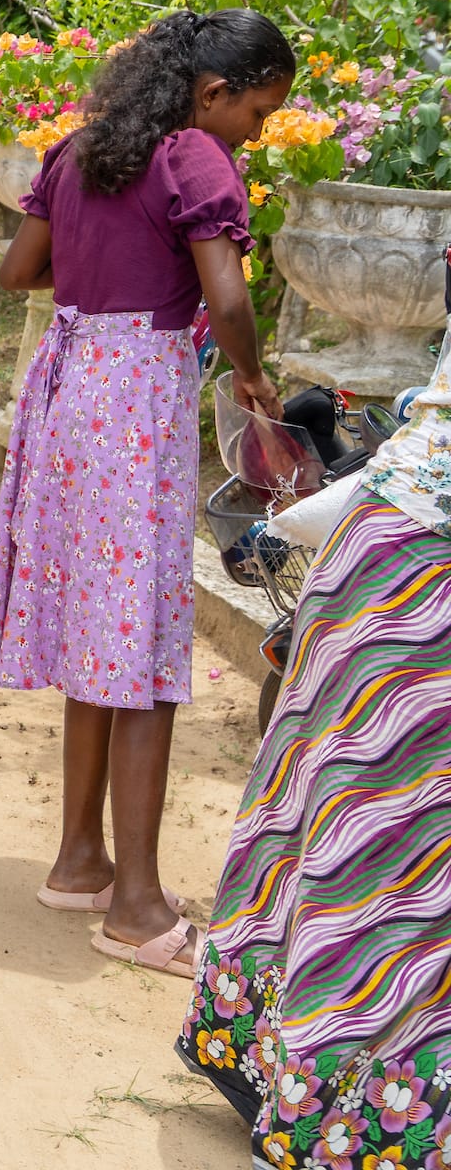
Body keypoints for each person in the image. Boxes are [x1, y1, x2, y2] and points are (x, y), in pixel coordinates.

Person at [0, 7, 292, 976]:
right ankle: (140, 909)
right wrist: (253, 377)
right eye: (259, 111)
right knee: (143, 646)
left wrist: (107, 261)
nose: (257, 133)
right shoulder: (194, 156)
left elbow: (19, 267)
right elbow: (227, 298)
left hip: (66, 388)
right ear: (213, 90)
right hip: (135, 397)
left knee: (101, 635)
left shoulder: (82, 150)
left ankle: (80, 860)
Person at [178, 332, 451, 1162]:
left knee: (322, 821)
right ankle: (343, 1125)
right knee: (397, 859)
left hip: (371, 551)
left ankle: (269, 1065)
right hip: (421, 587)